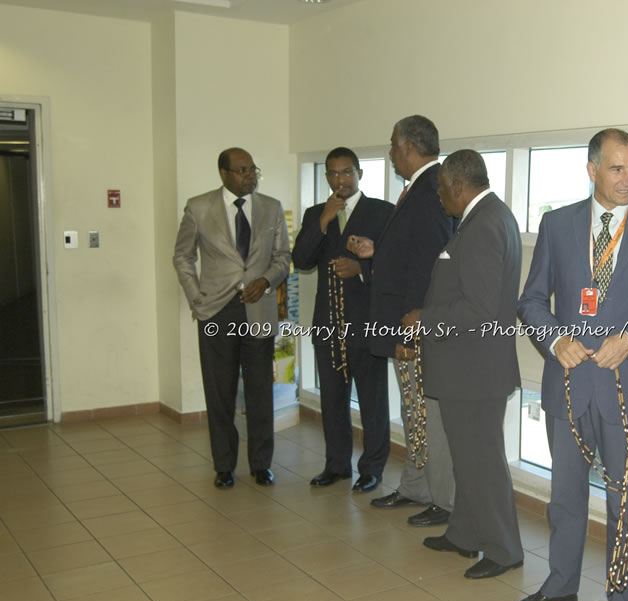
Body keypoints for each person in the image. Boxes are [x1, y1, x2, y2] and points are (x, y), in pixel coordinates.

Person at [516, 128, 628, 601]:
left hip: (627, 388)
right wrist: (554, 340)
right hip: (568, 383)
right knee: (565, 494)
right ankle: (561, 582)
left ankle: (622, 598)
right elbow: (530, 302)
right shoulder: (557, 224)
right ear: (592, 170)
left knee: (623, 498)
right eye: (616, 168)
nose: (627, 180)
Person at [401, 149, 525, 579]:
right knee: (469, 460)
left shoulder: (484, 225)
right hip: (470, 369)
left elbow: (481, 309)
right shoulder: (491, 215)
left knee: (483, 464)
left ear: (457, 185)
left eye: (440, 190)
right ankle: (465, 533)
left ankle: (504, 549)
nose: (439, 198)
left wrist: (423, 319)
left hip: (474, 372)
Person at [347, 115, 457, 527]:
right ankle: (416, 486)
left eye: (393, 145)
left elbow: (432, 267)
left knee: (422, 412)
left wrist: (412, 330)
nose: (392, 153)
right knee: (413, 411)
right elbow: (409, 255)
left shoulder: (432, 190)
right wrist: (378, 251)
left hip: (414, 329)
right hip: (406, 323)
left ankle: (436, 495)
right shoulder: (420, 189)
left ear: (410, 147)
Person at [173, 147, 290, 488]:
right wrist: (197, 299)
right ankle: (224, 465)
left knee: (259, 393)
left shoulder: (271, 207)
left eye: (252, 169)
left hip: (258, 309)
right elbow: (182, 256)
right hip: (217, 311)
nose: (249, 175)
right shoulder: (199, 207)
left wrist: (266, 280)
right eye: (241, 170)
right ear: (223, 173)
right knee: (220, 391)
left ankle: (261, 463)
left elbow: (283, 256)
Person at [292, 147, 393, 493]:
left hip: (368, 323)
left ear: (360, 173)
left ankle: (372, 468)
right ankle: (336, 465)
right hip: (328, 323)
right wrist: (322, 222)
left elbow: (398, 265)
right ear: (326, 178)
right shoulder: (315, 214)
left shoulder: (382, 212)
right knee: (332, 399)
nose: (340, 180)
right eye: (333, 174)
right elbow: (301, 259)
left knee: (372, 401)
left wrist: (361, 269)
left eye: (346, 173)